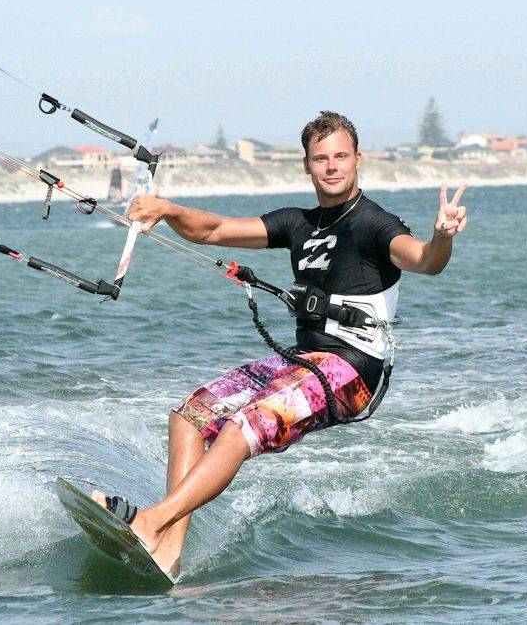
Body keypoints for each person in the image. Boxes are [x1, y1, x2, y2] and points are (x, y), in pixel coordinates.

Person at [92, 111, 466, 577]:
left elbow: (426, 261)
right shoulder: (297, 223)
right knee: (189, 416)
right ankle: (168, 551)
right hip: (303, 363)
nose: (332, 166)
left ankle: (150, 522)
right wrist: (167, 210)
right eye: (321, 158)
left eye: (341, 157)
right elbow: (213, 230)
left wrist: (441, 236)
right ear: (307, 165)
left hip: (352, 370)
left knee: (242, 426)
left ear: (358, 160)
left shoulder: (376, 225)